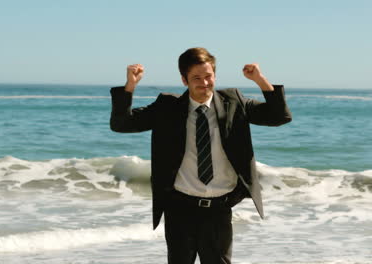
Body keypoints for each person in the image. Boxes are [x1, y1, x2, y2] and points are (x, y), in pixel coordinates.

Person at [110, 47, 292, 264]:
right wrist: (130, 86)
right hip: (179, 209)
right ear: (184, 80)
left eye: (208, 76)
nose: (204, 83)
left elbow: (279, 116)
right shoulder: (167, 107)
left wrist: (260, 80)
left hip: (219, 209)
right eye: (196, 78)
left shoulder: (234, 102)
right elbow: (122, 124)